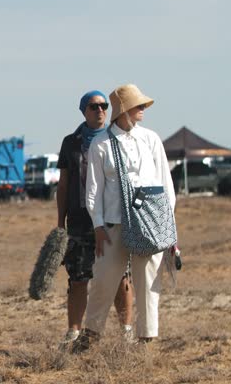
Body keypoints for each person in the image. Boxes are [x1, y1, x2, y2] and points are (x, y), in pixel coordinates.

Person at [79, 84, 175, 350]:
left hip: (150, 222)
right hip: (113, 223)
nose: (143, 109)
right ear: (124, 110)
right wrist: (98, 225)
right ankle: (91, 334)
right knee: (103, 279)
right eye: (138, 105)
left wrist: (167, 227)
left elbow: (166, 185)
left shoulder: (151, 139)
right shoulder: (101, 144)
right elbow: (94, 190)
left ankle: (147, 340)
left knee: (148, 281)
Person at [57, 90, 134, 348]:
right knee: (78, 277)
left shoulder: (119, 139)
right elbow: (64, 184)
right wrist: (60, 223)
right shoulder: (71, 143)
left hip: (112, 219)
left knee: (120, 276)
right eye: (94, 106)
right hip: (80, 221)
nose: (100, 110)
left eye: (103, 106)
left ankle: (126, 329)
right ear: (84, 111)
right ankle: (74, 332)